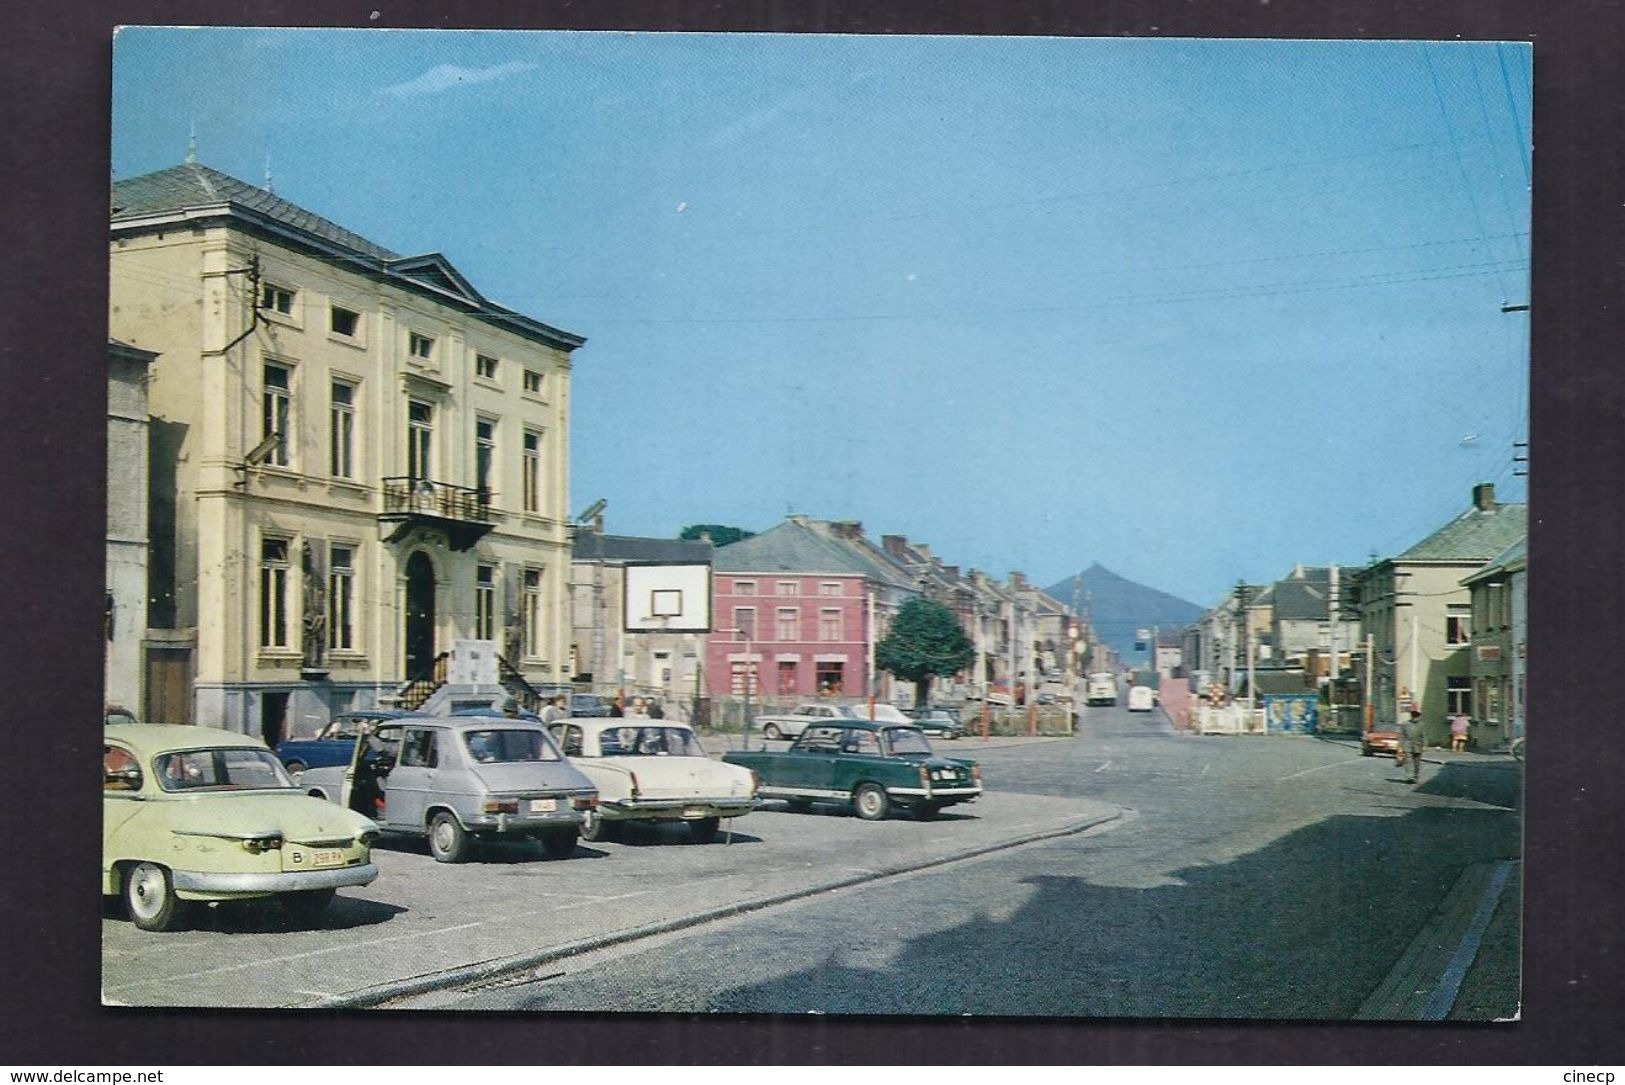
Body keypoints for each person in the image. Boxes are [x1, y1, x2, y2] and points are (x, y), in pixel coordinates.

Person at [1398, 709, 1425, 784]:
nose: (1415, 717)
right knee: (1408, 762)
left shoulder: (1421, 724)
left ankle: (1415, 776)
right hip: (1408, 745)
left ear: (1419, 716)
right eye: (1414, 716)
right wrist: (1400, 746)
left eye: (1417, 716)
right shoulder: (1405, 724)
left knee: (1417, 763)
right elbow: (1401, 735)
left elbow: (1423, 735)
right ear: (1411, 716)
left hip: (1418, 746)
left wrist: (1425, 745)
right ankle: (1409, 777)